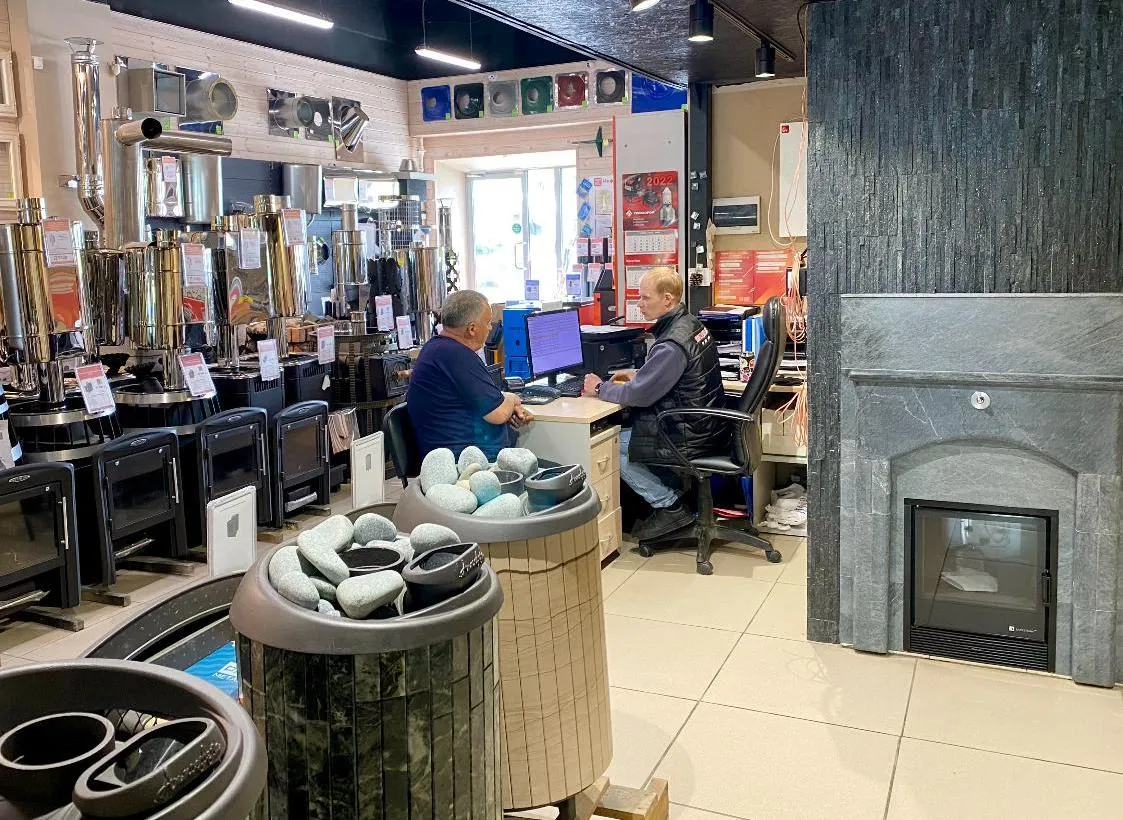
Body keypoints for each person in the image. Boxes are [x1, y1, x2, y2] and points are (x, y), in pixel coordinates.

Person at [583, 267, 728, 539]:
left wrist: (600, 387)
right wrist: (641, 374)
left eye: (645, 298)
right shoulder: (690, 325)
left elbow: (637, 396)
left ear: (668, 299)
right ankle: (675, 494)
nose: (639, 304)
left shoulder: (671, 343)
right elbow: (677, 376)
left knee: (615, 445)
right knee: (625, 432)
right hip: (705, 425)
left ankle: (670, 506)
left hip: (687, 434)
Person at [407, 290, 533, 461]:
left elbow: (488, 400)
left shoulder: (438, 348)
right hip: (468, 463)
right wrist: (512, 399)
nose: (490, 328)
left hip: (474, 455)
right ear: (472, 329)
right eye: (487, 322)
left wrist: (506, 405)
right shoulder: (456, 355)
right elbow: (498, 413)